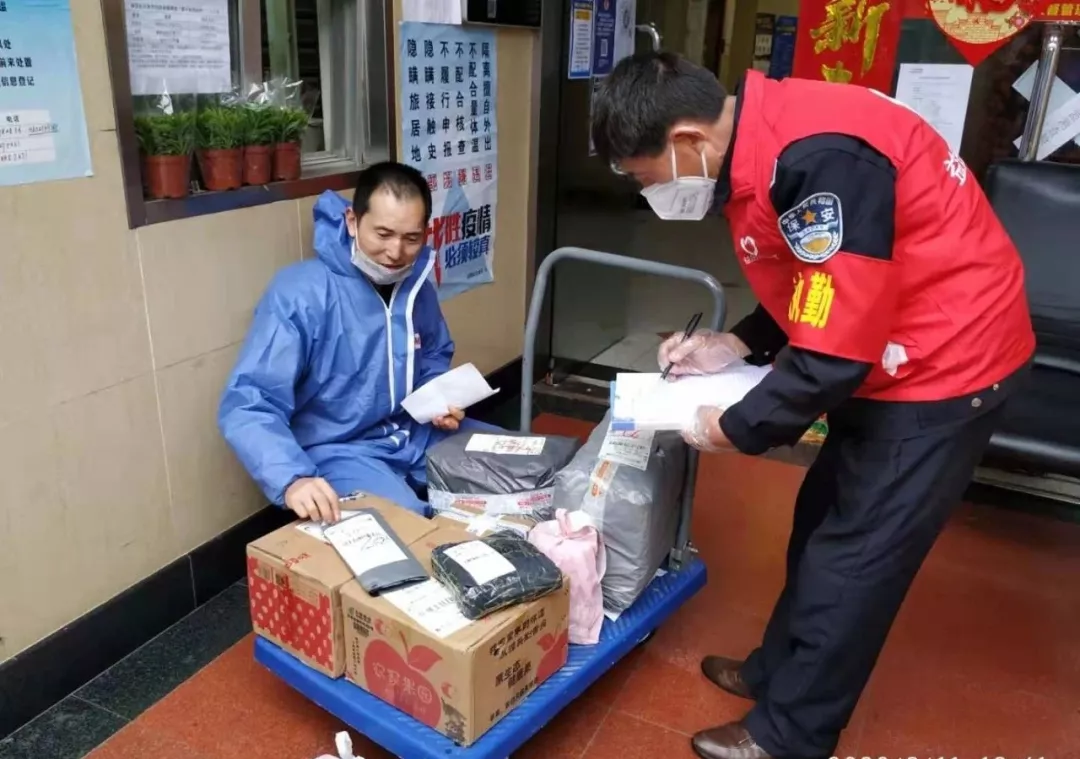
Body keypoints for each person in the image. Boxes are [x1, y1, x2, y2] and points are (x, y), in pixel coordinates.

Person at [591, 53, 1034, 759]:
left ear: (686, 141)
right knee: (820, 523)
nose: (651, 194)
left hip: (945, 364)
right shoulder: (765, 137)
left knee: (853, 560)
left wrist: (735, 425)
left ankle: (791, 734)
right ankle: (776, 671)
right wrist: (735, 345)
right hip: (889, 348)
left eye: (646, 179)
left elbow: (832, 355)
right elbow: (816, 279)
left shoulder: (821, 161)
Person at [219, 161, 491, 523]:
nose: (396, 252)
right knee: (407, 527)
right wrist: (292, 477)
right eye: (383, 234)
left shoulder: (415, 287)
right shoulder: (300, 294)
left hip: (414, 434)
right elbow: (250, 401)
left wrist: (436, 401)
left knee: (530, 468)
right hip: (338, 450)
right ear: (352, 221)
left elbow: (433, 354)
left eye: (411, 239)